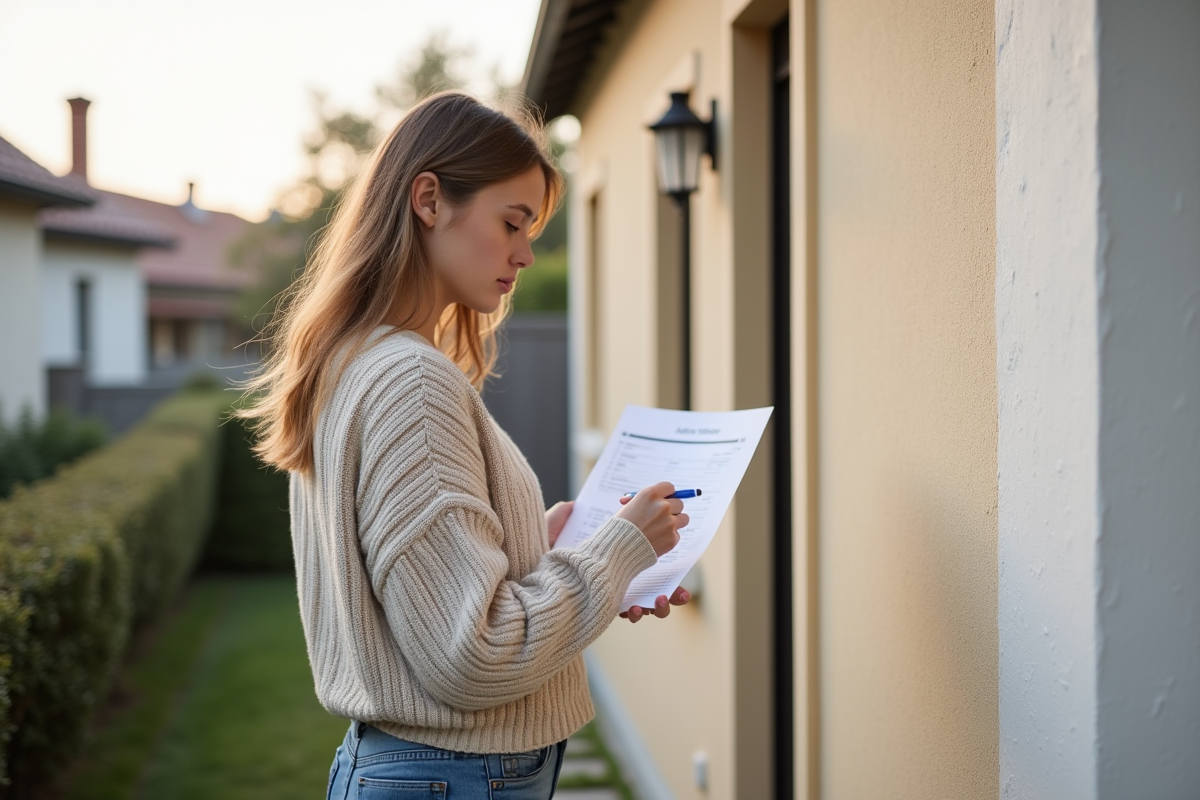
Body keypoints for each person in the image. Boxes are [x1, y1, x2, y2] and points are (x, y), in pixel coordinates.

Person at [238, 92, 691, 800]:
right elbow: (472, 654)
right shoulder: (411, 382)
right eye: (512, 222)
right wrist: (615, 552)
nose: (526, 252)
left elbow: (418, 586)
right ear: (428, 199)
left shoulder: (359, 360)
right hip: (451, 779)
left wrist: (552, 545)